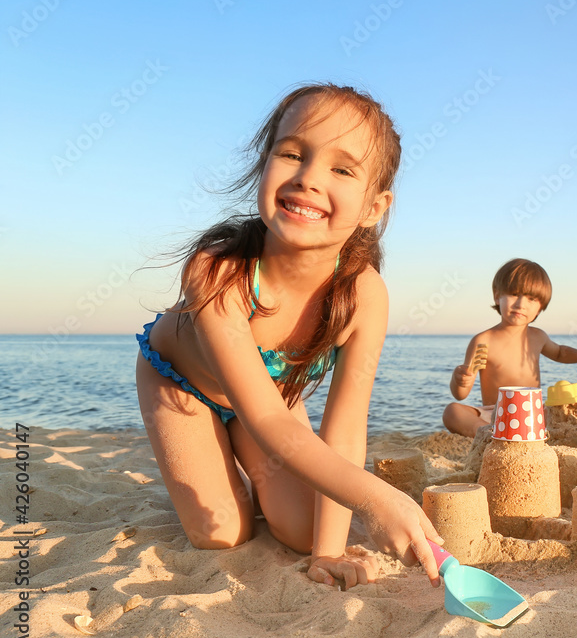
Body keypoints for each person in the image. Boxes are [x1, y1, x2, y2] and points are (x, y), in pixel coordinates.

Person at [135, 83, 443, 590]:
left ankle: (254, 477)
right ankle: (219, 466)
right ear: (264, 164)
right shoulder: (217, 272)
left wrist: (328, 553)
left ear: (374, 206)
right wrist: (375, 497)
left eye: (342, 169)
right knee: (223, 534)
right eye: (293, 154)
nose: (308, 179)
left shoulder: (365, 295)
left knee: (303, 534)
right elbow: (270, 421)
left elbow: (343, 427)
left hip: (272, 400)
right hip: (182, 385)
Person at [443, 258, 577, 437]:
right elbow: (461, 394)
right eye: (514, 294)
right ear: (497, 296)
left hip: (533, 412)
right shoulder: (483, 341)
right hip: (496, 414)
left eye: (531, 299)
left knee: (571, 405)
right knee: (452, 412)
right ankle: (486, 434)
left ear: (540, 308)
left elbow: (561, 353)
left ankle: (516, 433)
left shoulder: (538, 337)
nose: (521, 304)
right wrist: (459, 380)